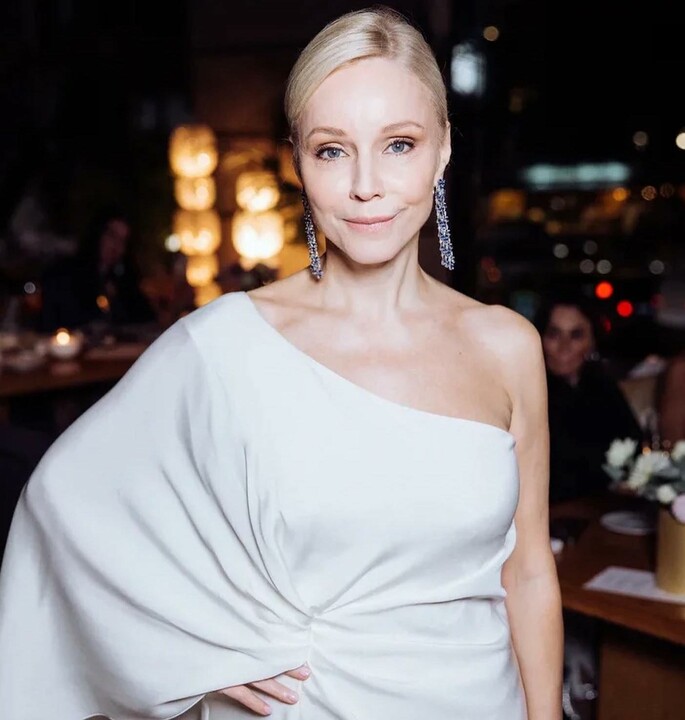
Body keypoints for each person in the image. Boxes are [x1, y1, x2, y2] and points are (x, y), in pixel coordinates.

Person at [0, 7, 563, 719]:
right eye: (332, 150)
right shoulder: (226, 344)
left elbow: (529, 570)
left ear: (443, 149)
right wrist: (186, 649)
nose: (366, 184)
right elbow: (64, 509)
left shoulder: (508, 345)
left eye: (398, 144)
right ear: (298, 160)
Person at [534, 292, 643, 505]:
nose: (564, 347)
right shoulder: (528, 390)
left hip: (601, 510)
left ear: (592, 341)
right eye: (554, 334)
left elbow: (633, 451)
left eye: (576, 335)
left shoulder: (604, 388)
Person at [38, 205, 157, 333]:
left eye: (122, 241)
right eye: (112, 236)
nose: (116, 246)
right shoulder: (66, 275)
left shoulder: (124, 280)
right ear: (98, 234)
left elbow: (144, 318)